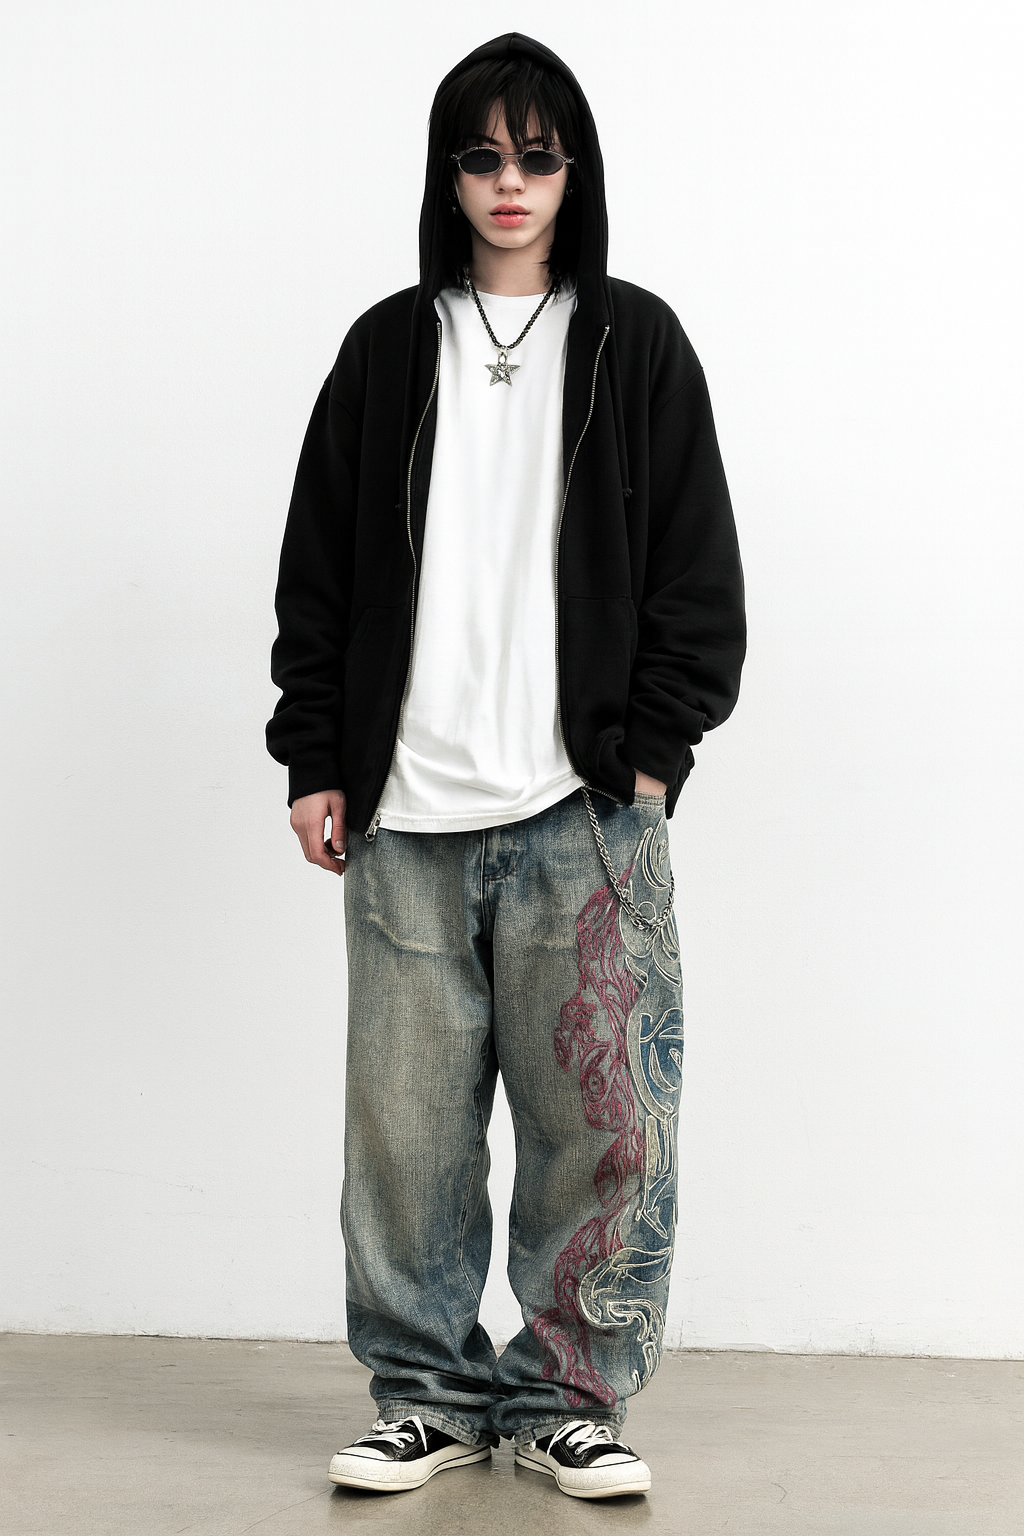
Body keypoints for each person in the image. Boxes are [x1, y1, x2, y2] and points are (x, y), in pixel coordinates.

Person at [266, 32, 745, 1502]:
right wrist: (315, 754)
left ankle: (565, 1398)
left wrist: (651, 758)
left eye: (537, 155)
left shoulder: (636, 345)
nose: (510, 182)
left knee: (600, 1131)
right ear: (448, 174)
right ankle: (426, 1395)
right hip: (404, 810)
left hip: (582, 811)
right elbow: (316, 573)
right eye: (482, 156)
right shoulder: (384, 350)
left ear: (574, 169)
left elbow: (697, 571)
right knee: (405, 1141)